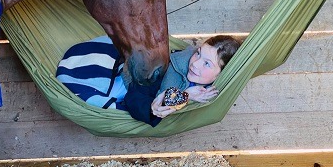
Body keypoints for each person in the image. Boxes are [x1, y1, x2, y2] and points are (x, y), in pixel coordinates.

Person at [56, 35, 241, 126]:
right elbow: (135, 99)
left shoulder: (215, 87)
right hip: (123, 76)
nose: (196, 64)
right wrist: (185, 96)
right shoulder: (169, 68)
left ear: (221, 74)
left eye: (207, 64)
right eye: (198, 54)